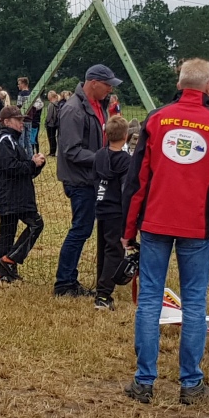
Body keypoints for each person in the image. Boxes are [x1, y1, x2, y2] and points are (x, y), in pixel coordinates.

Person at [120, 59, 209, 405]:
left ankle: (143, 381)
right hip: (196, 229)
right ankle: (191, 383)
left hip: (154, 224)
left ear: (179, 84)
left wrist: (128, 229)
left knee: (149, 301)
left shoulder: (156, 119)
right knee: (194, 303)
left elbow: (136, 180)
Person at [52, 65, 121, 297]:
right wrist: (105, 158)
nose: (110, 89)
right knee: (80, 229)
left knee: (83, 229)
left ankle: (69, 279)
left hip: (91, 178)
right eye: (107, 84)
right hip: (80, 181)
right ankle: (64, 283)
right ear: (93, 83)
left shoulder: (97, 106)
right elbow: (71, 151)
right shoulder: (74, 109)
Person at [0, 105, 46, 283]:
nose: (22, 123)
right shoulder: (3, 140)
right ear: (6, 122)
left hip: (15, 193)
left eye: (22, 120)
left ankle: (3, 272)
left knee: (7, 231)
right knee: (36, 224)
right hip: (11, 195)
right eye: (18, 120)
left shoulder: (12, 140)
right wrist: (32, 164)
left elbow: (24, 171)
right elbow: (11, 167)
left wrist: (36, 165)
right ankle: (10, 259)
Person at [91, 115, 134, 310]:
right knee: (114, 252)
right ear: (125, 136)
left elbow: (94, 179)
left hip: (101, 207)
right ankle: (103, 294)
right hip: (116, 211)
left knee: (104, 250)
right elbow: (127, 189)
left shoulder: (99, 155)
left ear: (106, 134)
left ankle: (101, 286)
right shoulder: (126, 161)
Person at [44, 90, 65, 156]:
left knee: (51, 138)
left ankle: (52, 152)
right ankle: (54, 151)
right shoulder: (58, 103)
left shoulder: (51, 104)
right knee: (54, 138)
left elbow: (49, 115)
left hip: (50, 124)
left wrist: (46, 122)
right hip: (55, 123)